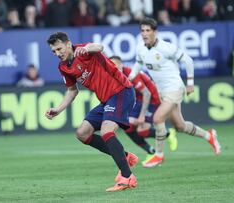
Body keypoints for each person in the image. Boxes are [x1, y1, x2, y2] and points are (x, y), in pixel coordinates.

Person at [45, 31, 137, 192]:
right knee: (82, 133)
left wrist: (88, 48)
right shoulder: (63, 67)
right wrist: (58, 109)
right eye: (54, 51)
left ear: (68, 44)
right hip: (106, 100)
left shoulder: (84, 50)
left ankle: (127, 177)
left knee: (107, 131)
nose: (57, 53)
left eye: (59, 49)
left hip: (121, 91)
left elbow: (99, 47)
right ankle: (125, 156)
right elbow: (73, 91)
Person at [128, 17, 221, 167]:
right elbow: (138, 63)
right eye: (142, 31)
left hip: (175, 88)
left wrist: (190, 83)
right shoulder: (140, 48)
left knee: (158, 119)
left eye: (148, 30)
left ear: (155, 32)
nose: (144, 33)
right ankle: (209, 135)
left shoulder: (167, 47)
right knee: (180, 126)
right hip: (162, 92)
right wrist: (130, 77)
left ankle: (158, 155)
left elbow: (188, 60)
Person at [110, 55, 178, 162]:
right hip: (138, 101)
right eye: (110, 65)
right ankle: (151, 151)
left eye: (114, 64)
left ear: (120, 64)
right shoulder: (114, 75)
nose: (112, 67)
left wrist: (141, 116)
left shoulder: (131, 75)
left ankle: (168, 133)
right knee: (127, 127)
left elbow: (147, 93)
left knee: (142, 130)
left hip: (152, 99)